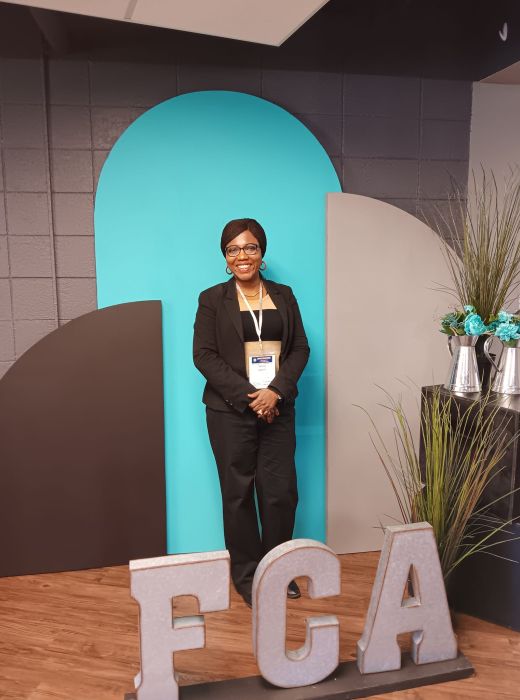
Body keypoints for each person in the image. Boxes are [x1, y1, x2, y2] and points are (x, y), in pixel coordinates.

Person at [193, 218, 310, 607]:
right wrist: (251, 397)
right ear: (225, 257)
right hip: (230, 412)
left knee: (280, 494)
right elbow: (203, 356)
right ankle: (246, 576)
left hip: (278, 408)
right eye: (233, 249)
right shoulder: (212, 299)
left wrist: (274, 392)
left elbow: (300, 349)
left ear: (262, 252)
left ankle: (276, 571)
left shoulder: (284, 295)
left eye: (250, 247)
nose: (242, 255)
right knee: (238, 495)